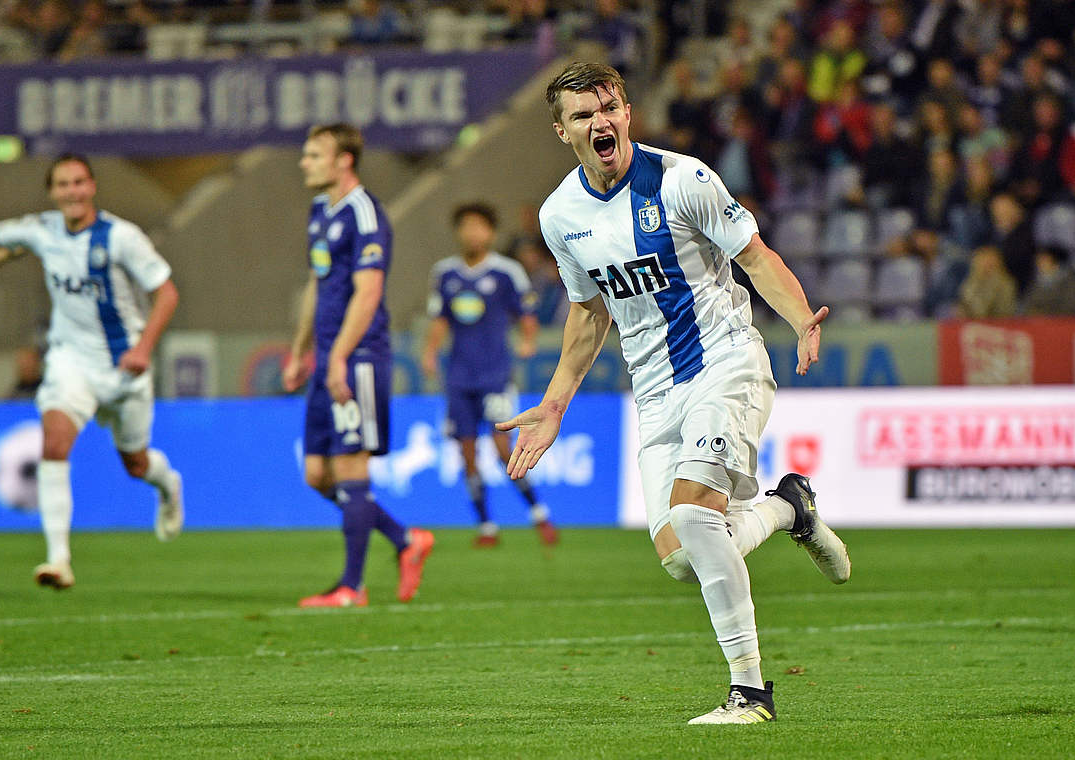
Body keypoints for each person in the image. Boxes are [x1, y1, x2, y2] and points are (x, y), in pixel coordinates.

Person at [497, 62, 851, 725]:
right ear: (561, 129)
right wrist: (554, 404)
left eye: (610, 107)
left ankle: (750, 693)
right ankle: (787, 509)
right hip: (655, 394)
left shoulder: (683, 180)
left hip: (726, 361)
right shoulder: (560, 216)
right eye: (583, 114)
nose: (600, 121)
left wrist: (801, 316)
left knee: (694, 514)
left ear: (627, 112)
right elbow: (588, 314)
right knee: (685, 559)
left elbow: (754, 256)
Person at [0, 155, 184, 590]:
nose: (72, 191)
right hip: (71, 361)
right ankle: (59, 560)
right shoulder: (42, 229)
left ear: (93, 187)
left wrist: (143, 348)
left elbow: (167, 293)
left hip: (124, 366)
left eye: (79, 182)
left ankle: (169, 486)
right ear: (53, 192)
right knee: (55, 443)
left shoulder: (122, 237)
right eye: (63, 184)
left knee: (136, 464)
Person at [283, 123, 433, 608]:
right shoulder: (319, 211)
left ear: (343, 160)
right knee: (316, 475)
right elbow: (317, 283)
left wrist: (341, 356)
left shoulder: (365, 213)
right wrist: (301, 348)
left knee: (350, 466)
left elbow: (368, 292)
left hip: (359, 355)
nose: (304, 162)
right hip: (327, 354)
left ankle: (352, 585)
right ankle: (405, 539)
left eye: (313, 154)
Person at [422, 202, 557, 547]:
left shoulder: (505, 272)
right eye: (466, 226)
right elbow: (439, 319)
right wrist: (429, 351)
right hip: (459, 377)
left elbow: (526, 314)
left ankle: (538, 512)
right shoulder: (446, 273)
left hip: (495, 374)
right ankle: (486, 525)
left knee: (501, 449)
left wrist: (528, 341)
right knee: (466, 452)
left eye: (479, 226)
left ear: (491, 233)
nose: (472, 233)